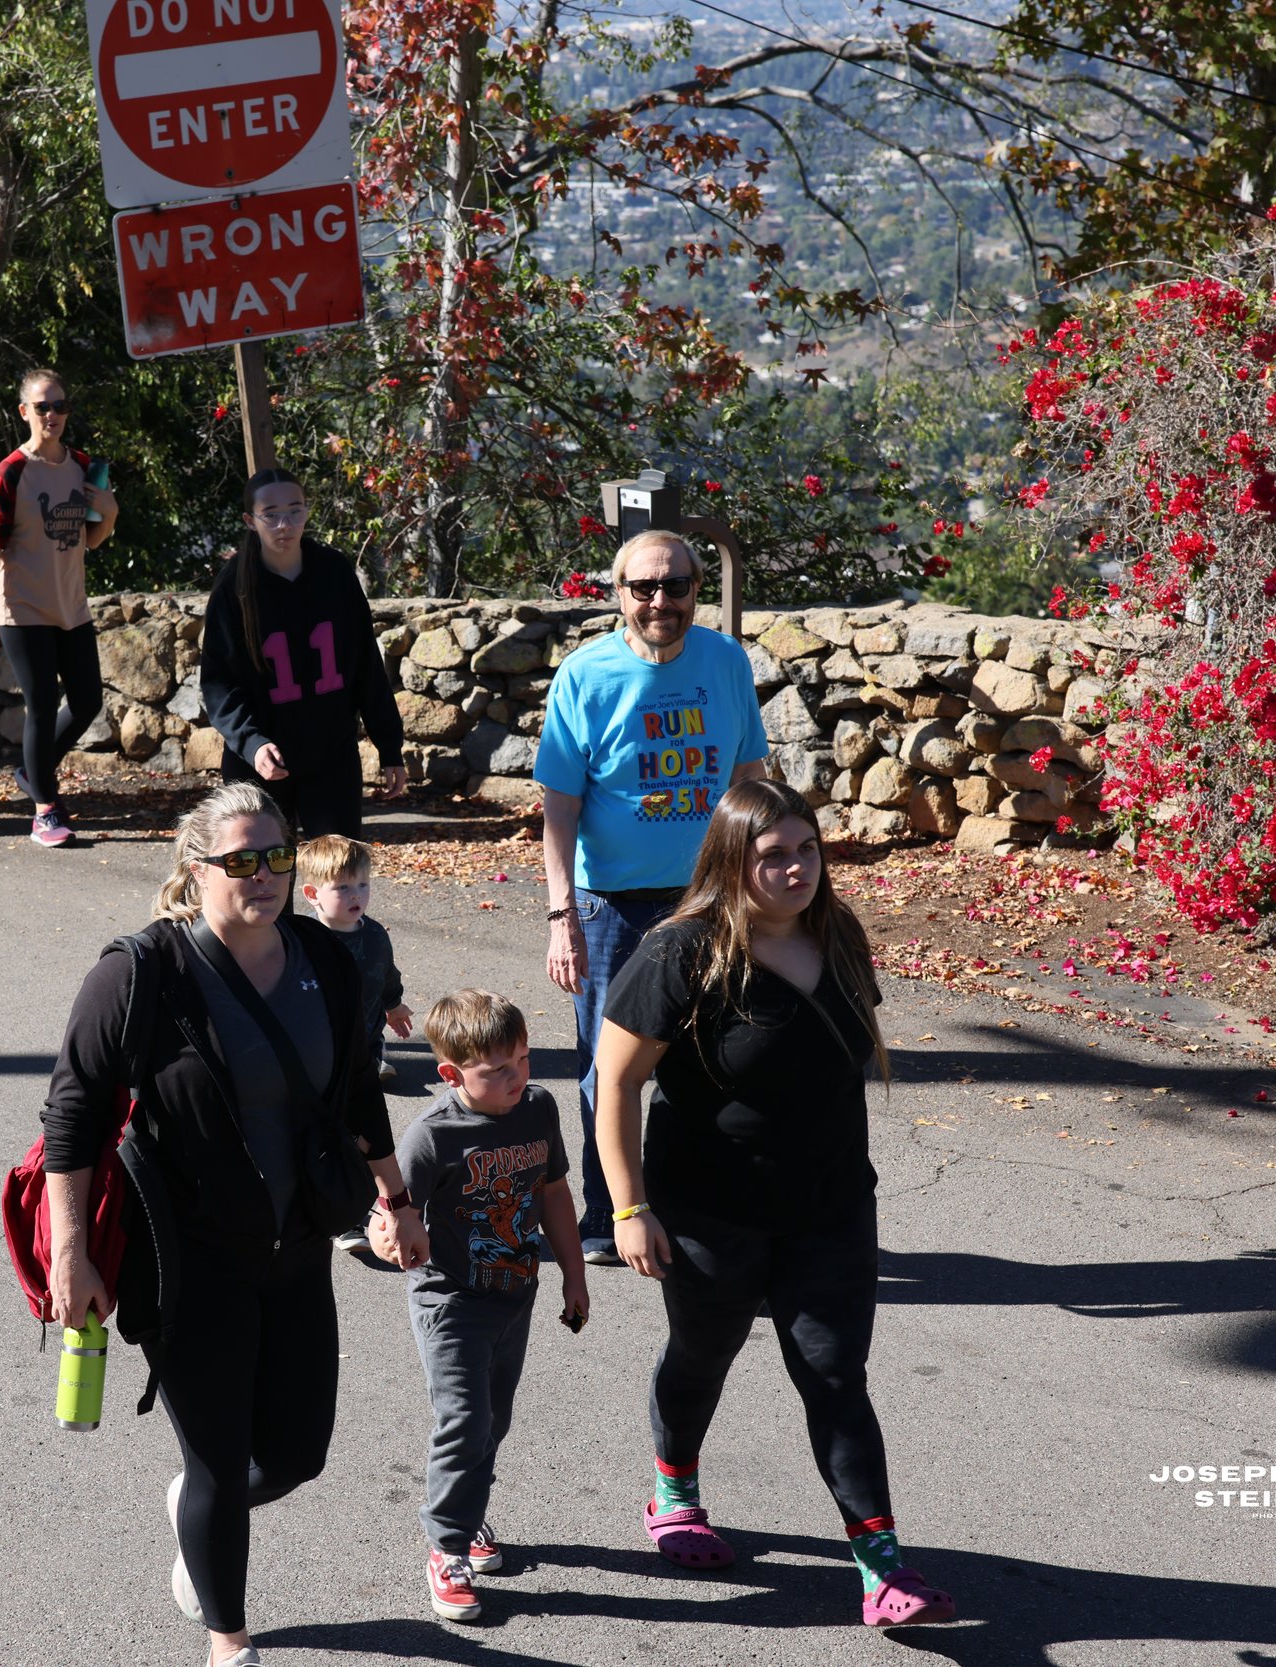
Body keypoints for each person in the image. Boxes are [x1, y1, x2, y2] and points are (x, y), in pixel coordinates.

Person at [42, 782, 430, 1667]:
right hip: (185, 1255)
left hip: (297, 1246)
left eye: (277, 859)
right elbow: (71, 1115)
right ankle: (229, 1640)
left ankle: (193, 1503)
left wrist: (395, 1197)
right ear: (196, 867)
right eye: (242, 861)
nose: (264, 877)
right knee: (219, 1457)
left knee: (298, 1454)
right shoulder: (140, 974)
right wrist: (71, 1253)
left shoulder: (325, 963)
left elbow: (357, 1093)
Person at [594, 779, 956, 1630]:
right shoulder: (680, 952)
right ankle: (673, 1488)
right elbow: (614, 1081)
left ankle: (881, 1572)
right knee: (703, 1352)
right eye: (772, 856)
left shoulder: (839, 936)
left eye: (806, 849)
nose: (795, 869)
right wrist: (626, 1207)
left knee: (834, 1374)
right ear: (732, 861)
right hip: (708, 1209)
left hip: (830, 1207)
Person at [534, 529, 769, 1265]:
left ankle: (696, 1205)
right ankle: (609, 1216)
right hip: (610, 905)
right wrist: (560, 916)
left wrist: (757, 891)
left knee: (713, 1057)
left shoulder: (726, 663)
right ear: (620, 593)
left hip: (708, 900)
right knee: (609, 1065)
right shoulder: (585, 675)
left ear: (699, 588)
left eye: (676, 585)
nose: (660, 600)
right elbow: (559, 809)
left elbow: (750, 781)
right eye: (644, 587)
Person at [385, 989, 586, 1625]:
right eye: (494, 1069)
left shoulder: (539, 1108)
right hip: (451, 1298)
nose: (514, 1077)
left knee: (493, 1418)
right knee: (465, 1418)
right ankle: (445, 1547)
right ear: (451, 1075)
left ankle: (467, 1514)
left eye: (522, 1060)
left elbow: (554, 1193)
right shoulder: (431, 1135)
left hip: (515, 1292)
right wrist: (391, 1227)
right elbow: (394, 1206)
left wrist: (575, 1277)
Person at [200, 469, 405, 841]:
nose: (284, 524)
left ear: (307, 512)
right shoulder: (234, 587)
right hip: (260, 763)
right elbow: (219, 682)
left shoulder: (335, 573)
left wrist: (389, 746)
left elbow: (365, 666)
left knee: (338, 884)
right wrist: (252, 742)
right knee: (266, 887)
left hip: (332, 757)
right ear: (251, 520)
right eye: (271, 513)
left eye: (295, 511)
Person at [0, 367, 117, 849]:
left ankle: (32, 773)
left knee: (87, 702)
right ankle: (44, 811)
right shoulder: (11, 471)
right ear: (24, 412)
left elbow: (93, 540)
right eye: (42, 407)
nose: (52, 415)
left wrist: (111, 513)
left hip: (70, 606)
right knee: (40, 705)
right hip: (22, 608)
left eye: (60, 405)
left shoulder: (82, 466)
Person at [297, 833, 411, 1258]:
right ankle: (342, 1215)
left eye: (362, 884)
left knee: (366, 1135)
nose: (355, 895)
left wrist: (394, 1005)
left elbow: (385, 971)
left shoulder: (375, 934)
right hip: (321, 1058)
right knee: (338, 1135)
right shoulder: (303, 942)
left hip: (365, 1050)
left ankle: (356, 1203)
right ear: (312, 894)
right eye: (342, 887)